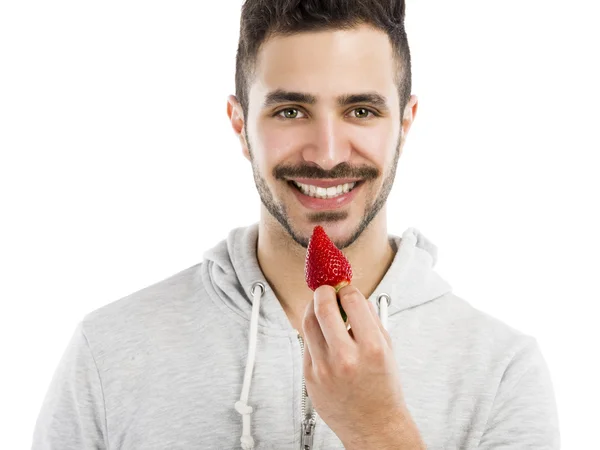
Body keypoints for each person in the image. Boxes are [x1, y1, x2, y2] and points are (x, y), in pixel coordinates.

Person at [31, 1, 560, 448]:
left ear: (405, 123)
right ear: (240, 125)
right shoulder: (108, 352)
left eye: (360, 111)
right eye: (289, 111)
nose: (328, 156)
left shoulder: (501, 371)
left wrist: (379, 428)